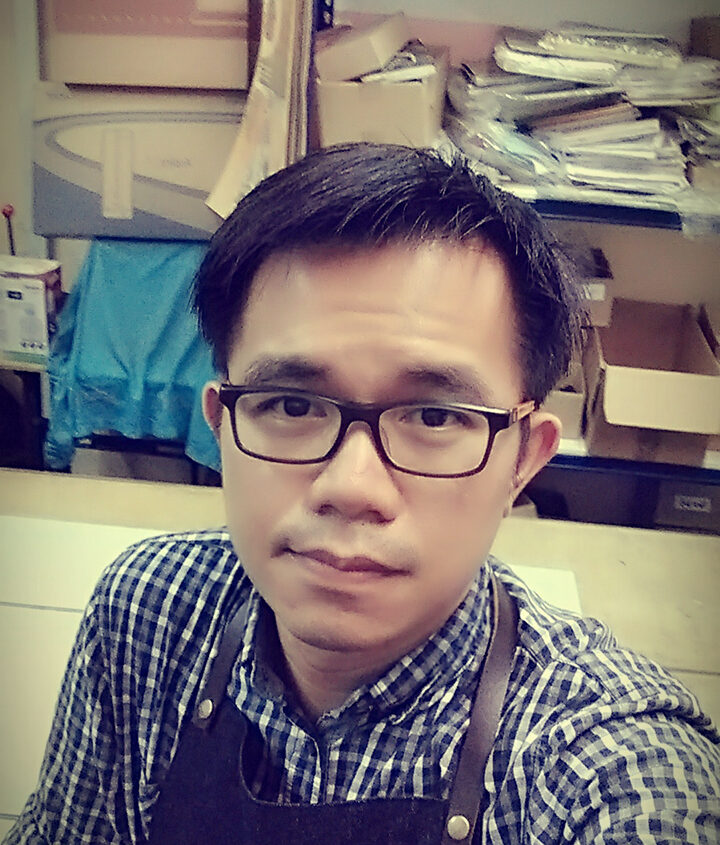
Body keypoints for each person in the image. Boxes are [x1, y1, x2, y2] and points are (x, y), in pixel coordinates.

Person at [6, 143, 719, 845]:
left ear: (522, 462)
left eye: (433, 416)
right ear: (221, 426)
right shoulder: (146, 617)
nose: (351, 488)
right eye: (291, 405)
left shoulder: (602, 768)